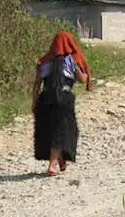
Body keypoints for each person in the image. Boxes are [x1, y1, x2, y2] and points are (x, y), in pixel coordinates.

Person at [33, 30, 92, 176]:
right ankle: (53, 164)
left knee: (49, 129)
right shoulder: (71, 60)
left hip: (45, 97)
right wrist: (81, 69)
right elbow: (83, 79)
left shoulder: (44, 61)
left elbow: (36, 84)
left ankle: (61, 160)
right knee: (62, 129)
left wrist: (34, 102)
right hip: (64, 98)